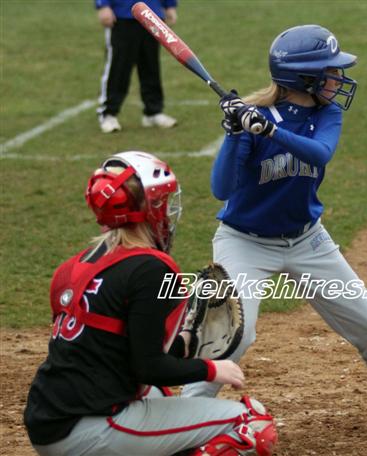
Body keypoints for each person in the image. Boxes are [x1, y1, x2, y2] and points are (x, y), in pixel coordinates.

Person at [182, 24, 367, 434]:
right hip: (245, 243)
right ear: (303, 78)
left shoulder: (327, 113)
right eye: (331, 71)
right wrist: (235, 134)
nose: (339, 78)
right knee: (237, 333)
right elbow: (222, 189)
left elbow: (320, 153)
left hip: (308, 240)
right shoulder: (252, 120)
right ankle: (184, 417)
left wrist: (270, 131)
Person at [24, 151, 277, 456]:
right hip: (91, 429)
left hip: (50, 422)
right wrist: (211, 369)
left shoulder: (72, 267)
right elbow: (149, 367)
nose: (168, 210)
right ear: (150, 208)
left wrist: (183, 344)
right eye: (163, 202)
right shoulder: (152, 269)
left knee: (157, 394)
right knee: (252, 424)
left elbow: (111, 350)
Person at [95, 0, 178, 133]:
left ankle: (153, 112)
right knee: (119, 67)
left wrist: (169, 5)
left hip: (153, 14)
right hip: (121, 14)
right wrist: (103, 5)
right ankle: (108, 113)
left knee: (151, 66)